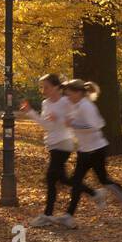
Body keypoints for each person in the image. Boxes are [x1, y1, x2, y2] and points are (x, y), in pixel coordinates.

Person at [19, 73, 105, 227]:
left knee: (51, 176)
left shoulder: (67, 101)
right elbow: (47, 126)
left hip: (65, 142)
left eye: (46, 87)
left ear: (57, 87)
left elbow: (73, 120)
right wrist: (31, 112)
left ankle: (47, 215)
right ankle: (94, 193)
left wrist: (59, 120)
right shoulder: (46, 103)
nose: (43, 90)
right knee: (62, 179)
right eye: (42, 87)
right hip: (52, 143)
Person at [54, 79, 122, 228]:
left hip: (96, 150)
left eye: (69, 94)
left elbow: (96, 126)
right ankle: (69, 215)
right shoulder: (76, 105)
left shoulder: (87, 106)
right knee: (76, 181)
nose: (67, 97)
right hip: (84, 150)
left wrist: (73, 124)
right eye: (66, 95)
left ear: (79, 93)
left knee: (104, 180)